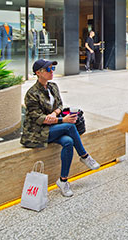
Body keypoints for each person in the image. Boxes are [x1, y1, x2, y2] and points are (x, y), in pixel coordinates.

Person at [21, 59, 100, 197]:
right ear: (38, 73)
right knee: (69, 126)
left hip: (53, 127)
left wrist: (54, 114)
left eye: (52, 69)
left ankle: (63, 181)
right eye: (48, 69)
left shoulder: (53, 86)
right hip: (37, 132)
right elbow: (38, 118)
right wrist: (61, 119)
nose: (52, 72)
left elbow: (60, 105)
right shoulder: (32, 93)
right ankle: (84, 156)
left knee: (68, 142)